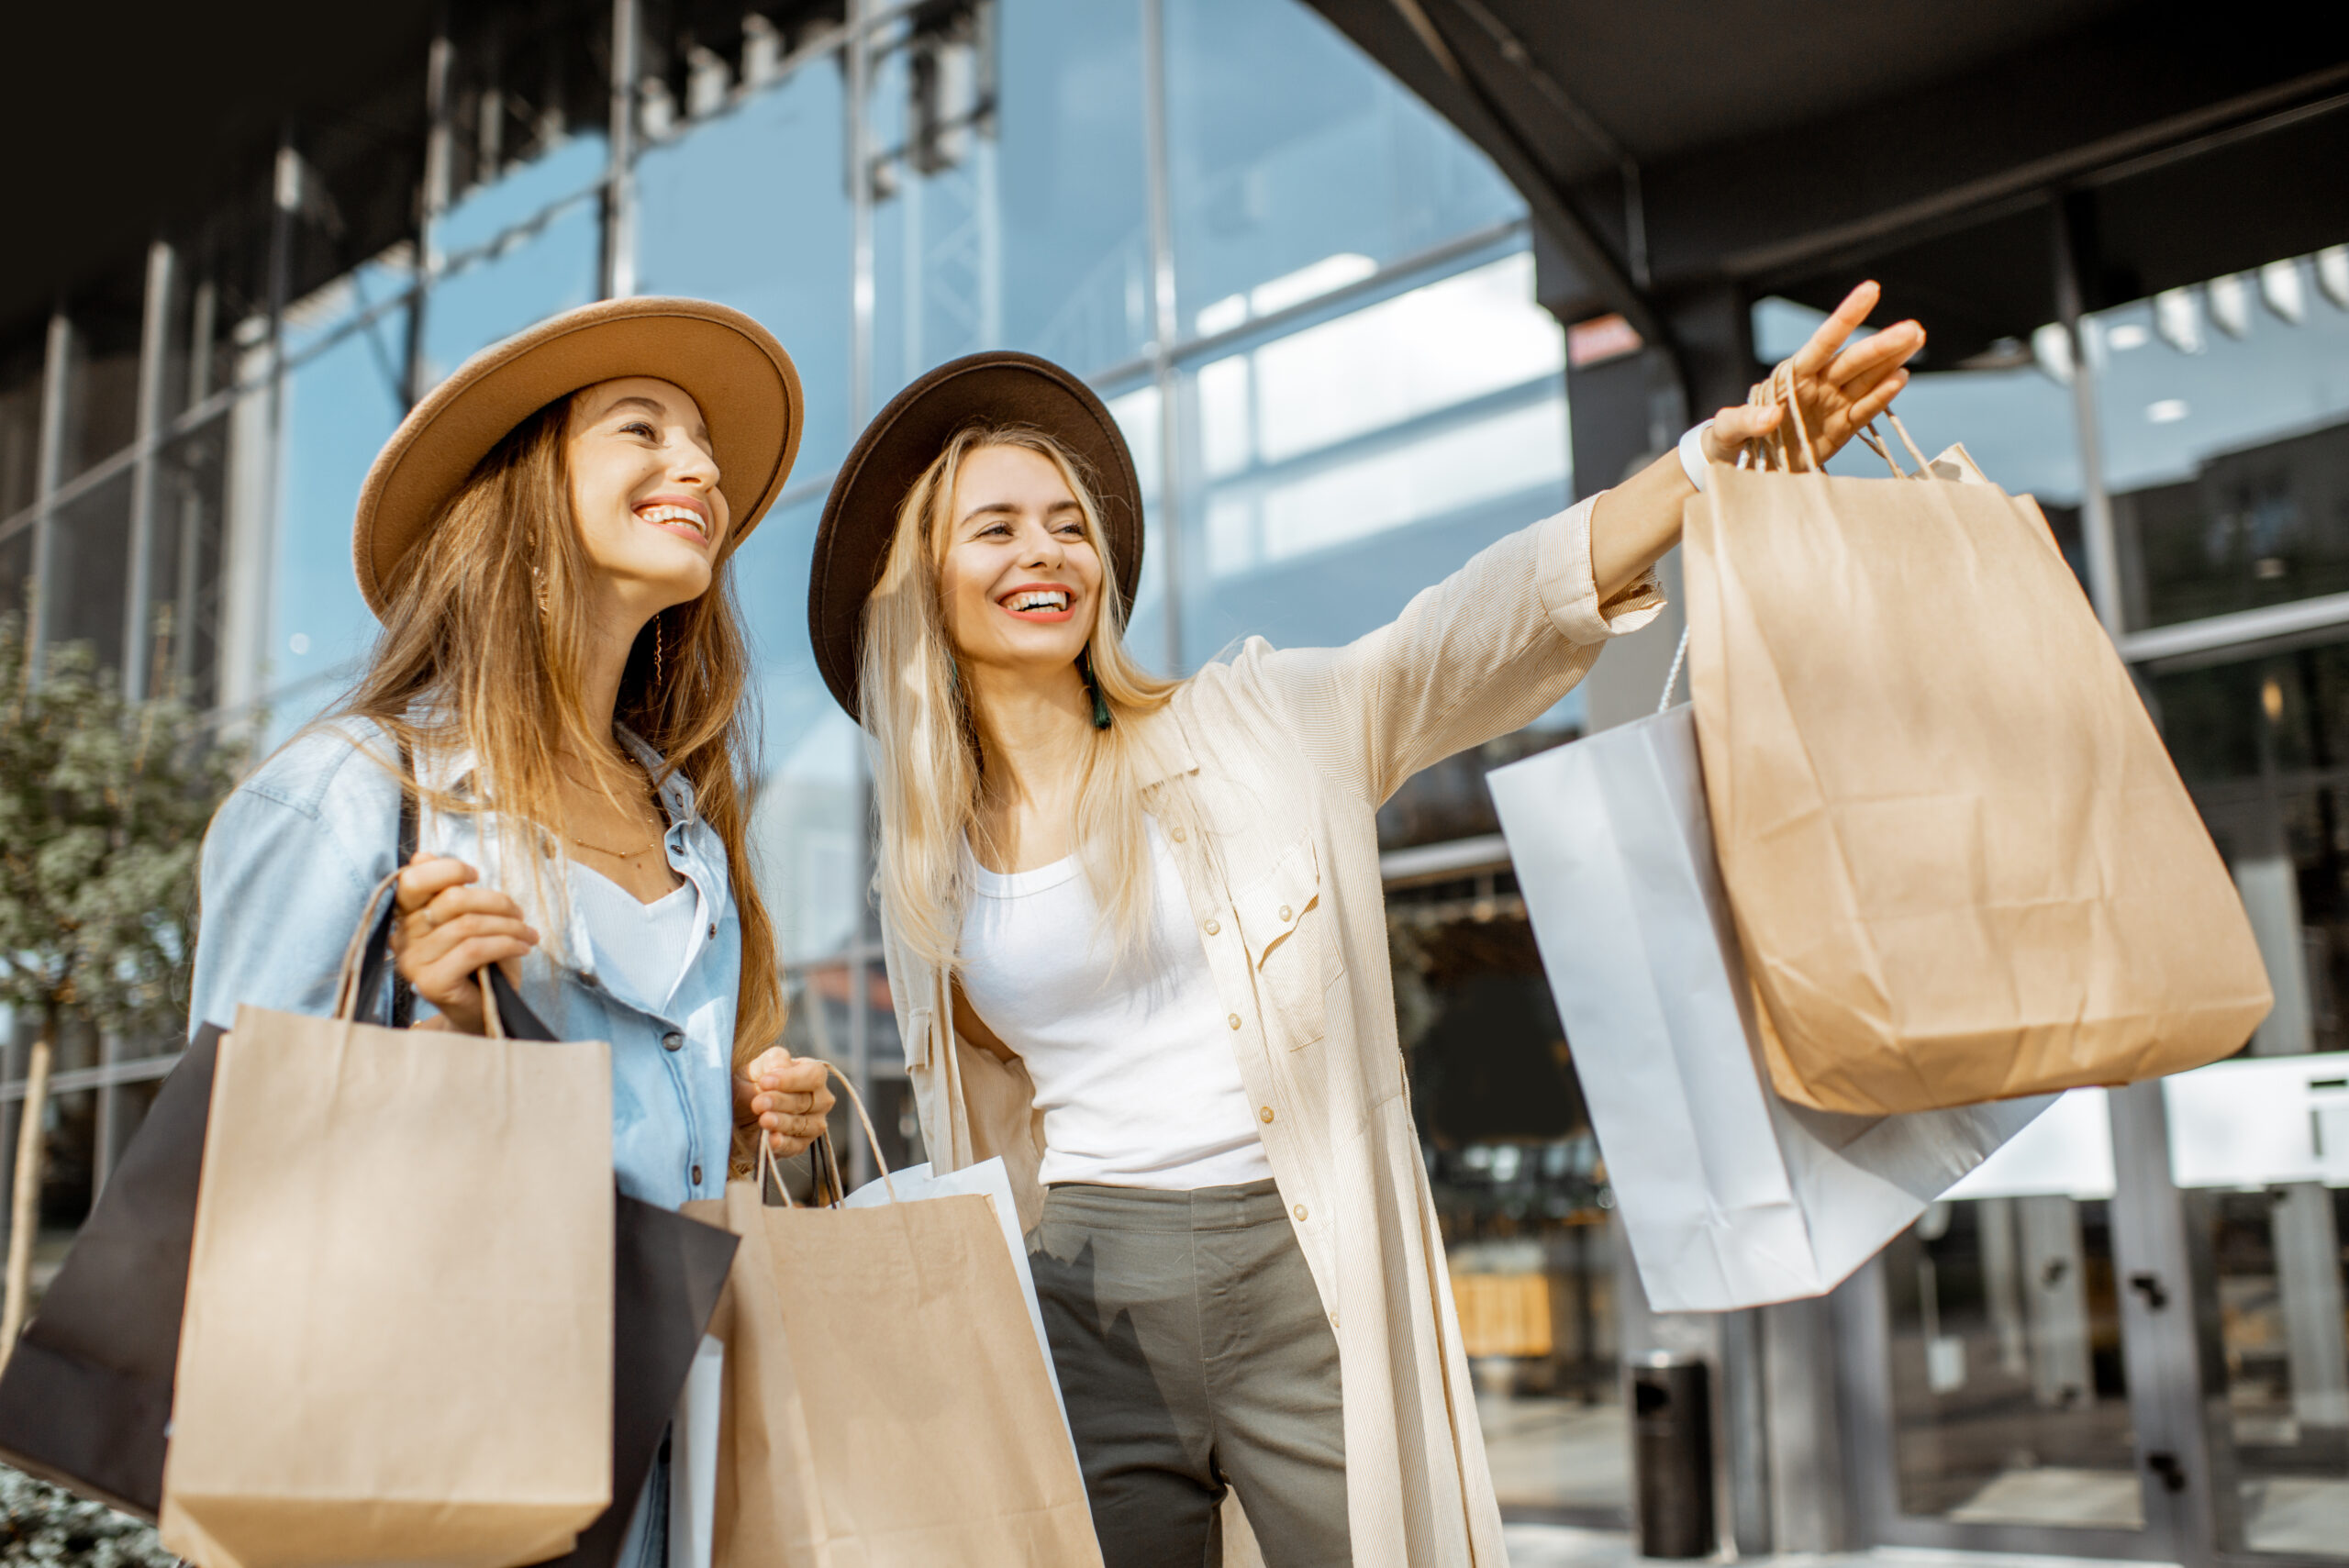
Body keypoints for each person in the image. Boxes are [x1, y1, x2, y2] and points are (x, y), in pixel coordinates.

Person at [807, 282, 1922, 1565]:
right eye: (994, 529)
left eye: (1067, 525)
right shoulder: (928, 864)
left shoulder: (1251, 725)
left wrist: (1694, 471)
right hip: (1084, 1297)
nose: (1045, 552)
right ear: (924, 583)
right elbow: (992, 1106)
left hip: (1299, 1270)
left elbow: (1448, 642)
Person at [189, 296, 839, 1567]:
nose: (699, 468)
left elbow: (659, 1177)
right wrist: (442, 1036)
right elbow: (235, 1193)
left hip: (672, 1481)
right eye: (641, 427)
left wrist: (735, 1124)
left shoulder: (691, 830)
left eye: (703, 443)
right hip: (436, 1465)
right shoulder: (351, 792)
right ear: (524, 490)